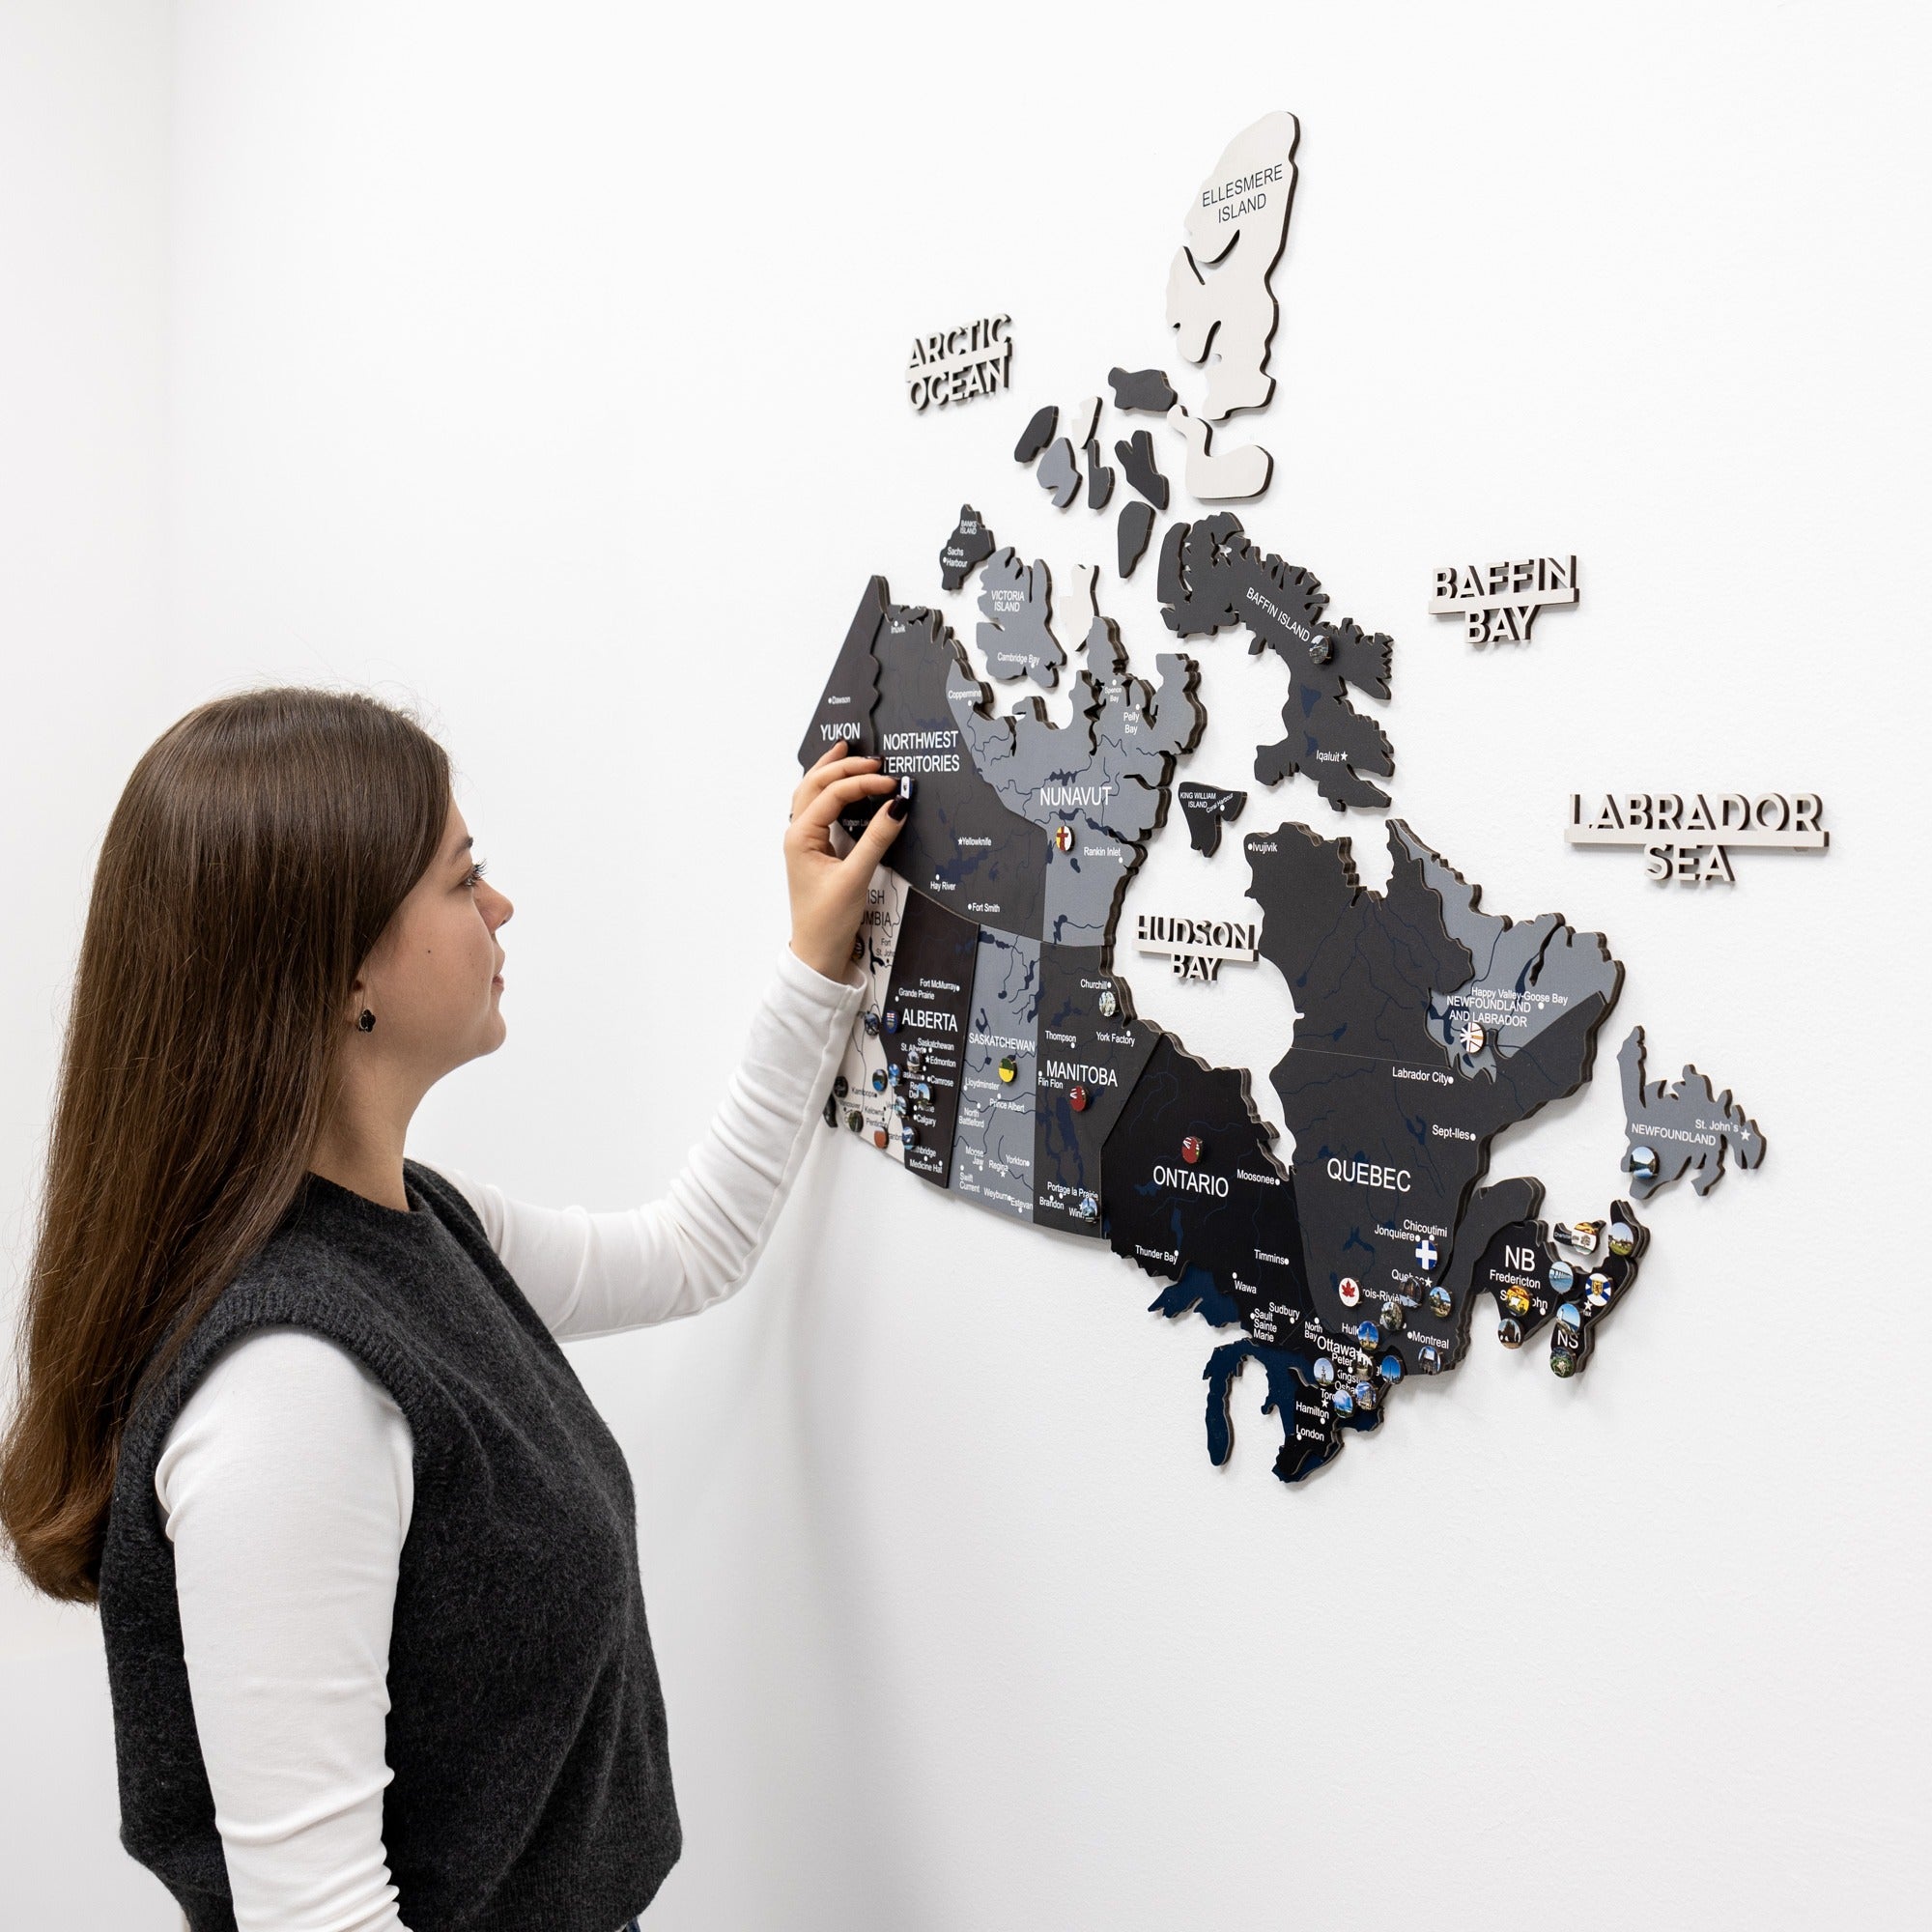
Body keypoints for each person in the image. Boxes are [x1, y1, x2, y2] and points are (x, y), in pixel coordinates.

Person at [0, 687, 906, 1931]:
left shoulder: (415, 1225)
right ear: (338, 973)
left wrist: (817, 958)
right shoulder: (287, 1390)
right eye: (461, 878)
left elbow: (693, 1249)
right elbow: (318, 1920)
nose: (500, 907)